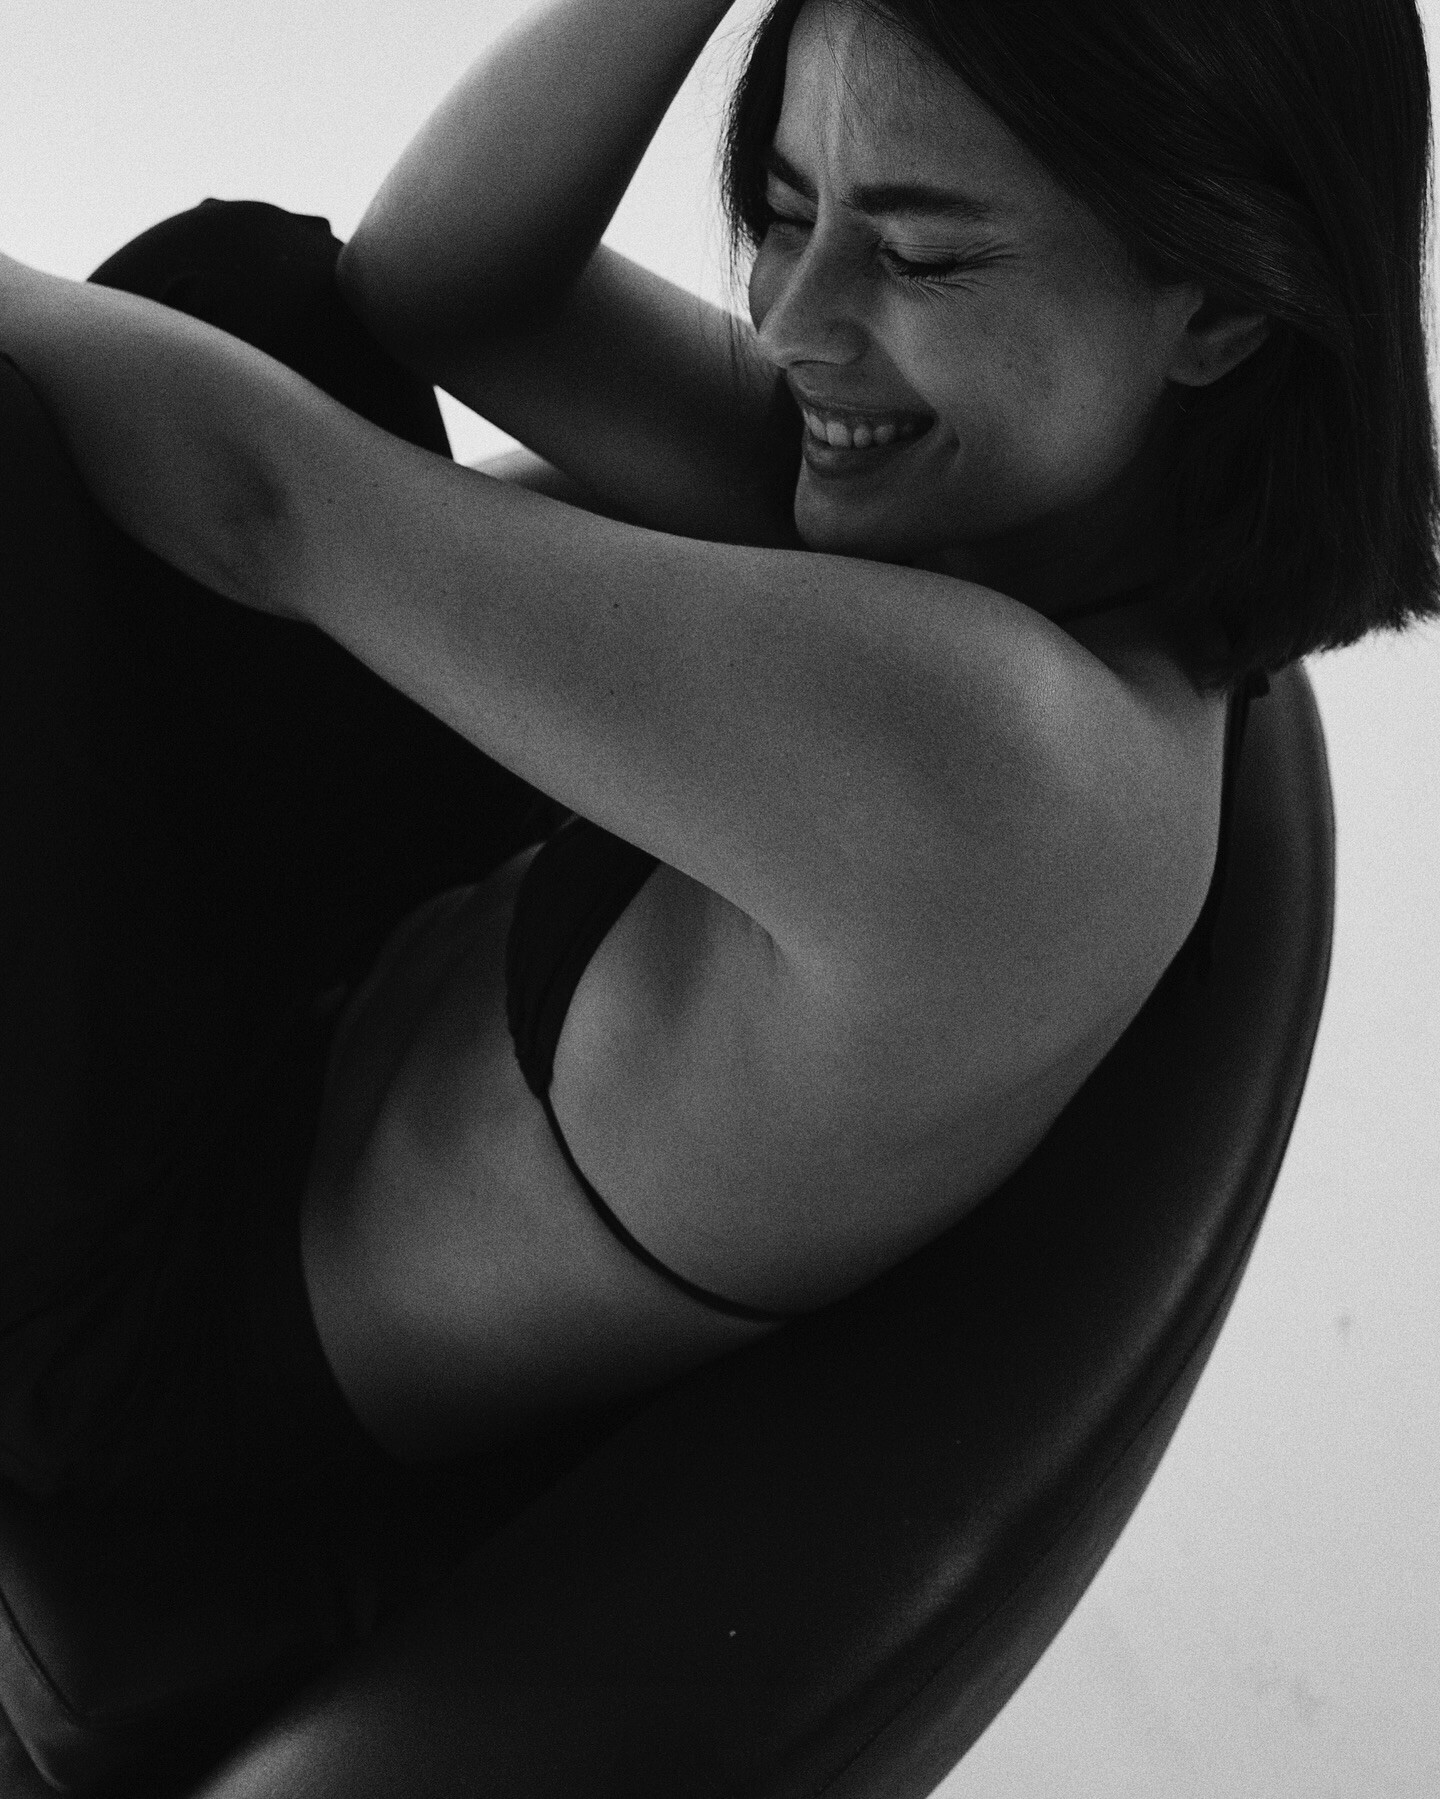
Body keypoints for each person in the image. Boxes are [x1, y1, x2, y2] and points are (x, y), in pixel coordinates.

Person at [0, 0, 1435, 1503]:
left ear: (1216, 311)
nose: (792, 320)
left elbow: (266, 507)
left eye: (920, 255)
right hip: (296, 996)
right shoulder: (1010, 525)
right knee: (248, 297)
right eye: (788, 212)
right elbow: (438, 292)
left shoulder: (1019, 767)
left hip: (134, 1327)